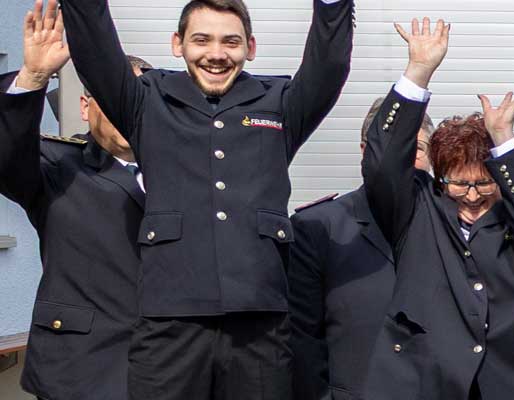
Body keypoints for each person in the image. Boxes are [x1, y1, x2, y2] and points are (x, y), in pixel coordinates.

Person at [58, 0, 352, 395]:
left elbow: (329, 68)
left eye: (230, 42)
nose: (216, 54)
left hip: (260, 324)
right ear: (177, 44)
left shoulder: (279, 101)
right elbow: (96, 54)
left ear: (250, 46)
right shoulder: (146, 100)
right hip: (170, 323)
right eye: (201, 40)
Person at [355, 20, 514, 399]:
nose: (472, 196)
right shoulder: (417, 208)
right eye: (459, 184)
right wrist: (418, 72)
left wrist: (504, 140)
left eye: (484, 184)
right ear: (439, 178)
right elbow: (381, 162)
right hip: (430, 381)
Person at [282, 19, 438, 400]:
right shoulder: (317, 227)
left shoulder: (456, 221)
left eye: (416, 149)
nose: (405, 161)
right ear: (365, 153)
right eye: (393, 149)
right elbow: (303, 338)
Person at [6, 3, 140, 397]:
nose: (123, 111)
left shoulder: (180, 171)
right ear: (85, 106)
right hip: (80, 373)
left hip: (167, 372)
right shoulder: (56, 163)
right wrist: (32, 77)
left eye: (132, 99)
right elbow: (6, 156)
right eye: (110, 98)